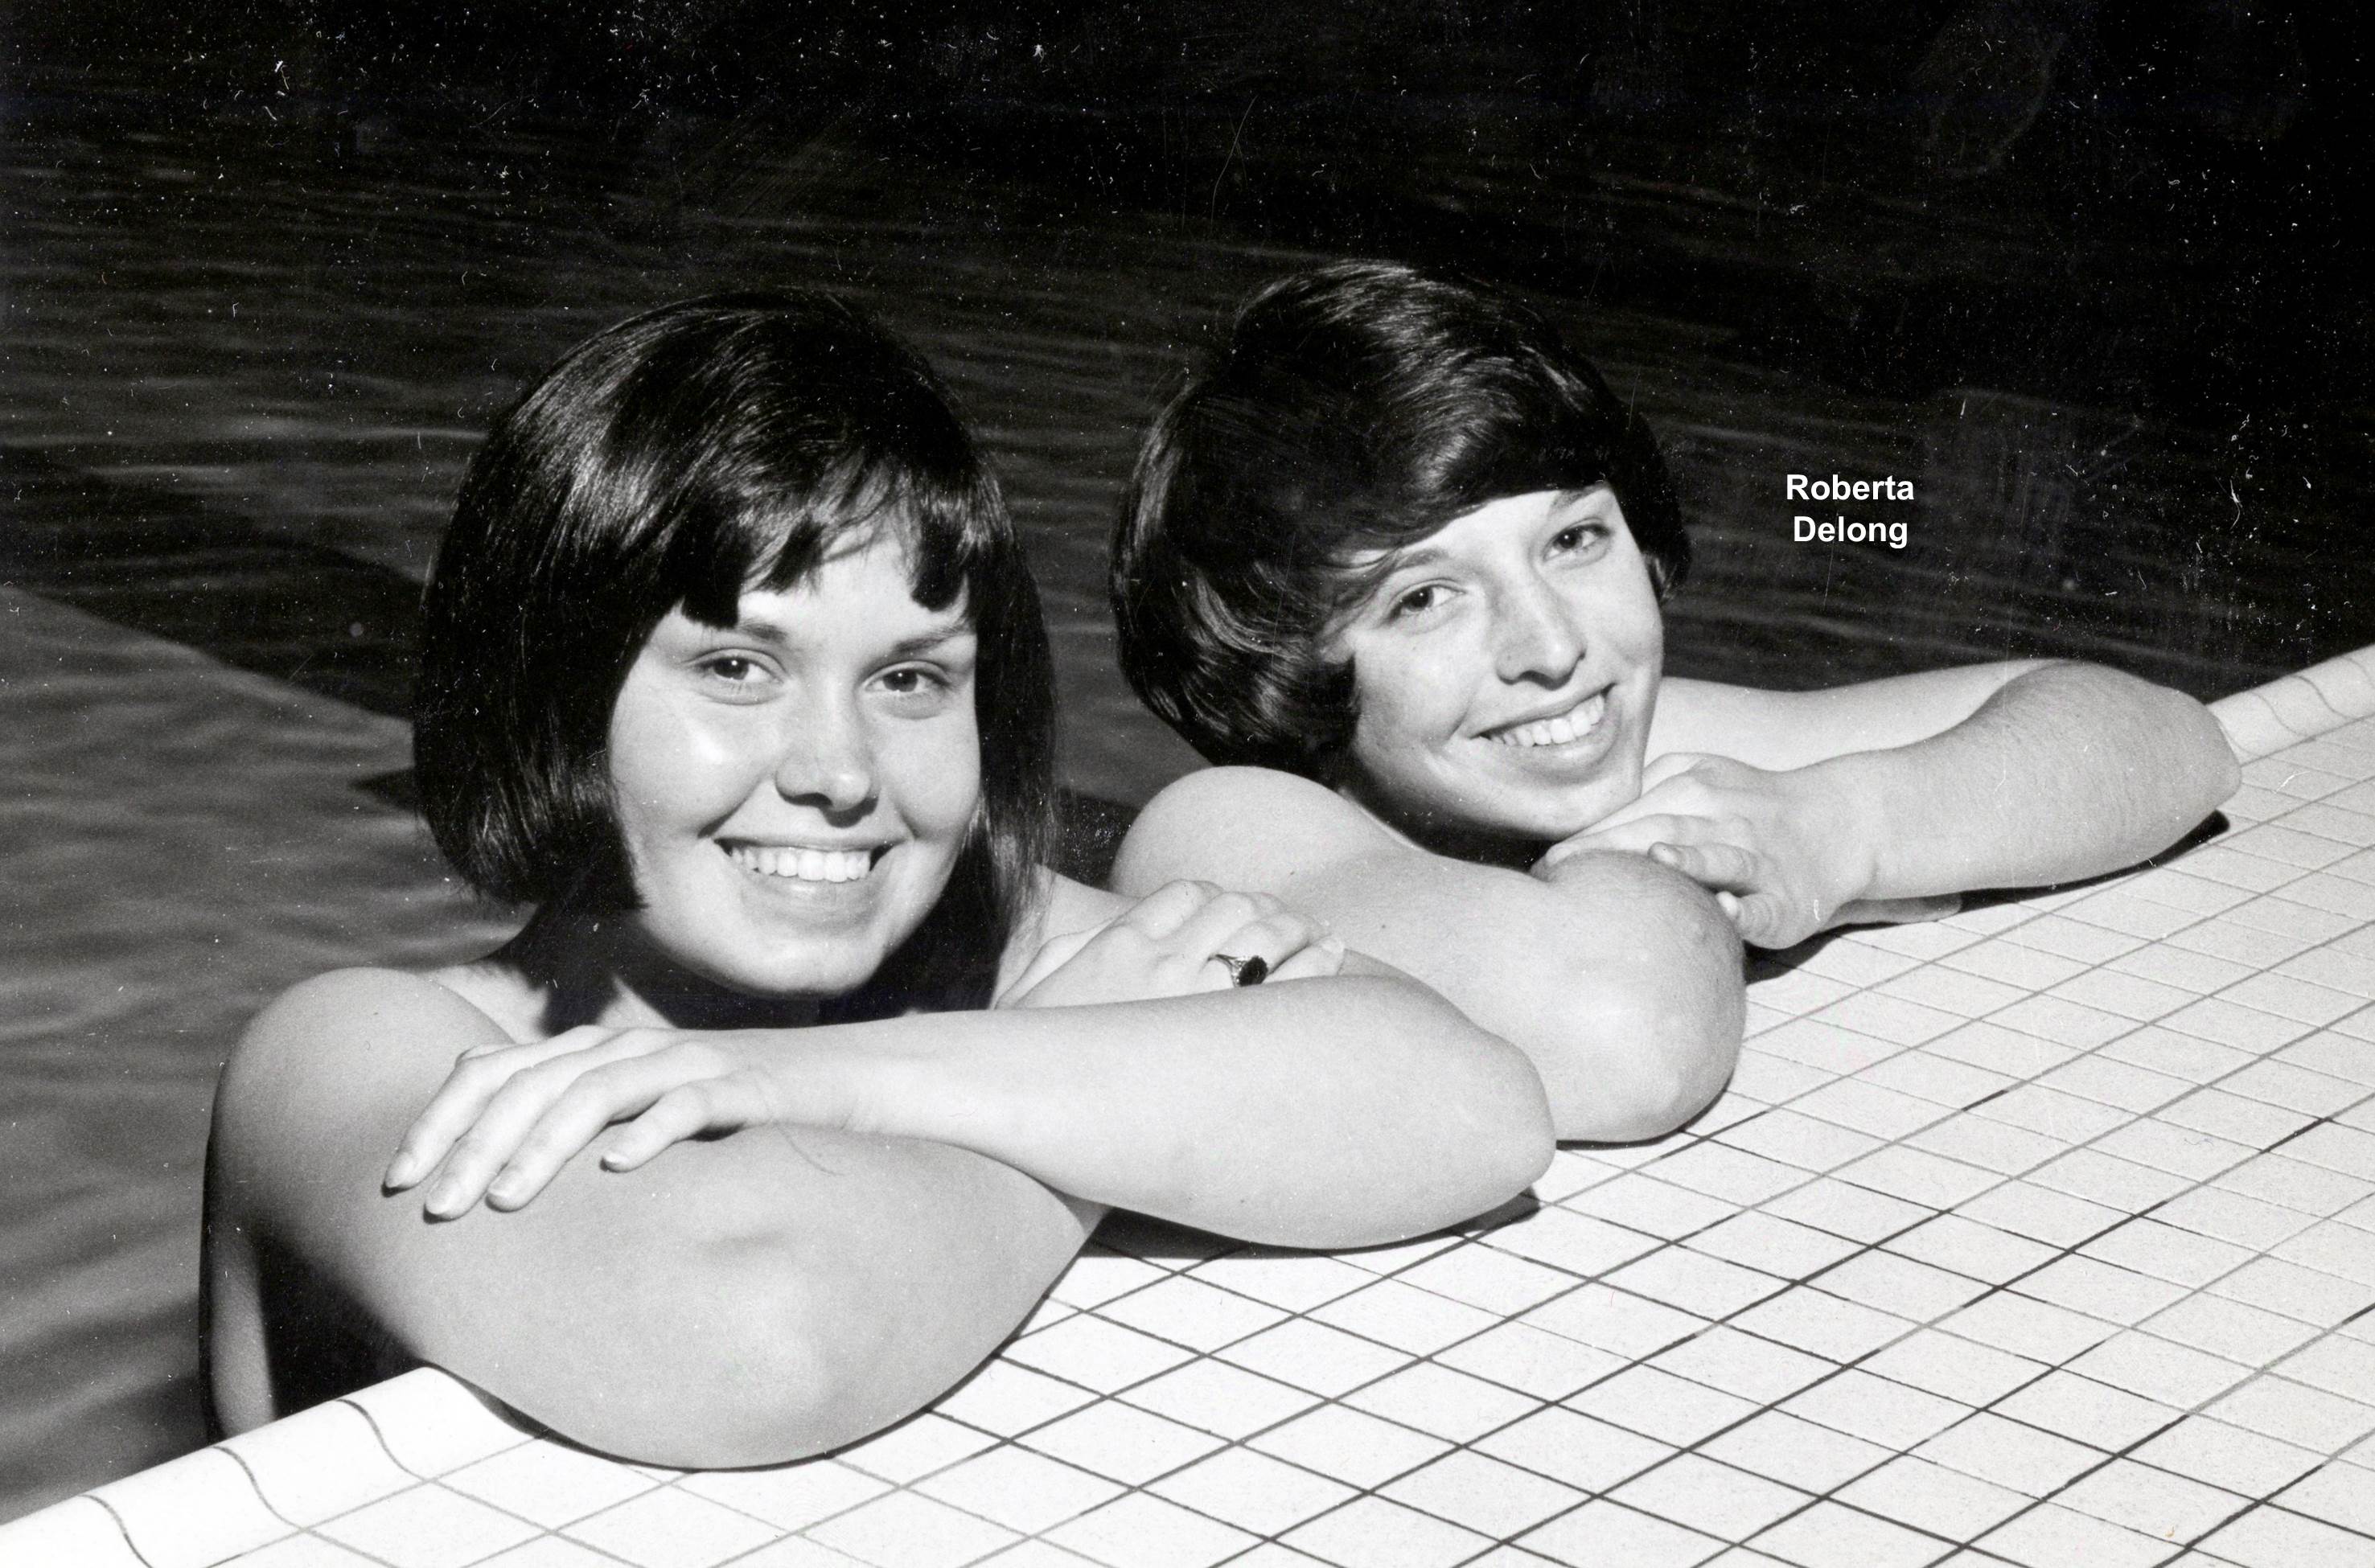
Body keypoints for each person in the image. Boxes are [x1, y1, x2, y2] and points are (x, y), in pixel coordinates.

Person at [203, 292, 1554, 1467]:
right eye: (737, 667)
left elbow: (1472, 1101)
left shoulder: (1001, 945)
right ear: (553, 693)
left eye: (909, 679)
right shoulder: (353, 1052)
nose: (840, 771)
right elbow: (762, 1341)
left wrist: (828, 1075)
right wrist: (1070, 1052)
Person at [1108, 261, 2241, 1143]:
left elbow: (2167, 739)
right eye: (1423, 599)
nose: (1554, 646)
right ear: (1282, 668)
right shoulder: (1229, 832)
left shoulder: (1573, 744)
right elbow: (1631, 1041)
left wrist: (1836, 828)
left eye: (1573, 539)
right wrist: (1718, 858)